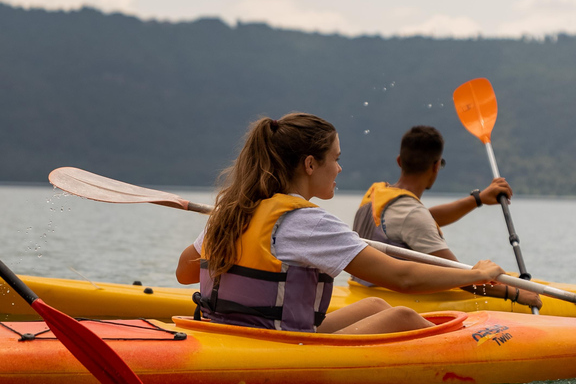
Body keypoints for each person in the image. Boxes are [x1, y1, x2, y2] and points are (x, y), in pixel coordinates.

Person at [176, 113, 506, 335]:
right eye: (335, 158)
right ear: (309, 164)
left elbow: (185, 273)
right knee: (402, 315)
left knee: (376, 305)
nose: (339, 169)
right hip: (278, 345)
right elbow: (401, 277)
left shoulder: (231, 211)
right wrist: (476, 274)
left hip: (228, 333)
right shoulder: (306, 222)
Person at [352, 125, 542, 309]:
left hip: (360, 292)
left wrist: (478, 199)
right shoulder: (413, 216)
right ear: (436, 166)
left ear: (400, 161)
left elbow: (424, 219)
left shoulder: (378, 192)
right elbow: (462, 278)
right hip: (391, 302)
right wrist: (516, 294)